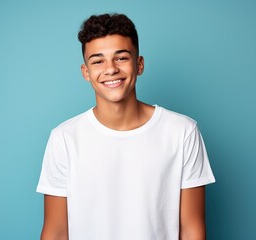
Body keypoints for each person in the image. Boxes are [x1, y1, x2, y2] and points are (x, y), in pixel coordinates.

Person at [37, 13, 215, 240]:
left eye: (121, 58)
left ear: (139, 64)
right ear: (86, 72)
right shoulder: (64, 138)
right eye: (98, 60)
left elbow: (192, 230)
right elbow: (56, 231)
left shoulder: (182, 132)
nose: (110, 69)